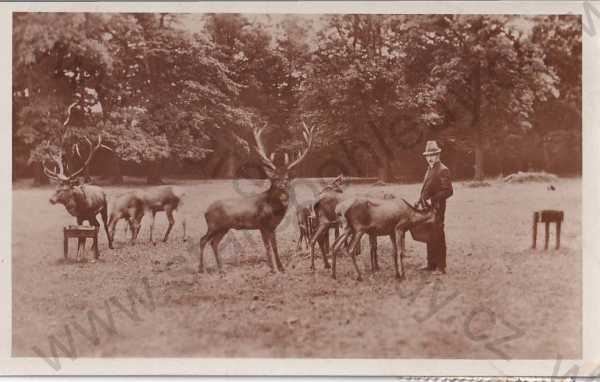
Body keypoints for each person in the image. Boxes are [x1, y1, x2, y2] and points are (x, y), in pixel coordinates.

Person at [417, 140, 453, 275]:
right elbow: (426, 189)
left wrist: (433, 199)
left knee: (438, 234)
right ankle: (430, 264)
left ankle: (440, 266)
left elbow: (448, 191)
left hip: (438, 207)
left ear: (438, 155)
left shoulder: (443, 170)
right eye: (428, 155)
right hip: (427, 208)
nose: (430, 158)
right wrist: (419, 200)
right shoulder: (430, 169)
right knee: (429, 234)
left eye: (432, 155)